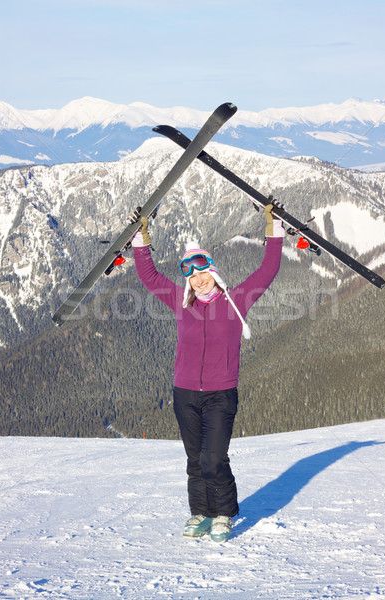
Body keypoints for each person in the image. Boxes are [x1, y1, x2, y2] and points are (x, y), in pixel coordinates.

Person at [130, 203, 285, 542]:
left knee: (214, 457)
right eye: (192, 276)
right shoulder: (180, 302)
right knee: (195, 459)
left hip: (221, 393)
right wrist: (141, 240)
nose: (198, 281)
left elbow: (267, 271)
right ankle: (200, 513)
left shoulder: (236, 301)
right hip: (184, 393)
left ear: (213, 272)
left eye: (203, 273)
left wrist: (273, 230)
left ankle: (225, 514)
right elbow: (149, 276)